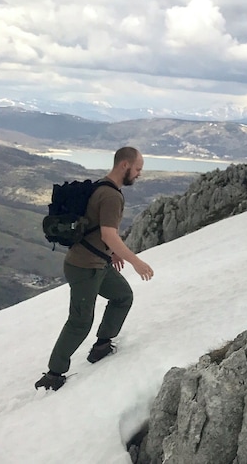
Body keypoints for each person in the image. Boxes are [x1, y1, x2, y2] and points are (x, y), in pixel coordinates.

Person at [35, 147, 155, 391]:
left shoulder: (103, 187)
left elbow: (95, 227)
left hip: (98, 262)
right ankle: (53, 374)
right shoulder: (111, 196)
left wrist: (110, 255)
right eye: (138, 168)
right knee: (80, 321)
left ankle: (101, 346)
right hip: (84, 267)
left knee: (122, 296)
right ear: (124, 165)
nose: (139, 174)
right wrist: (136, 261)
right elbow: (108, 234)